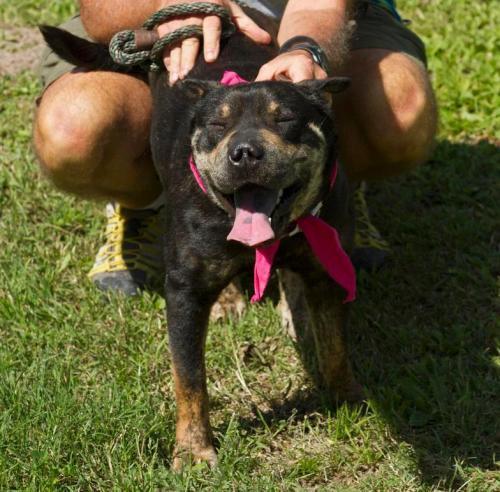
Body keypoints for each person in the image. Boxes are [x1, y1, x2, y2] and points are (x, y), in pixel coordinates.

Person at [34, 0, 437, 295]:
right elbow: (104, 9)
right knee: (75, 128)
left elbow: (319, 7)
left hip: (307, 18)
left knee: (398, 111)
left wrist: (304, 49)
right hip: (154, 13)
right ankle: (146, 205)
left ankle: (325, 192)